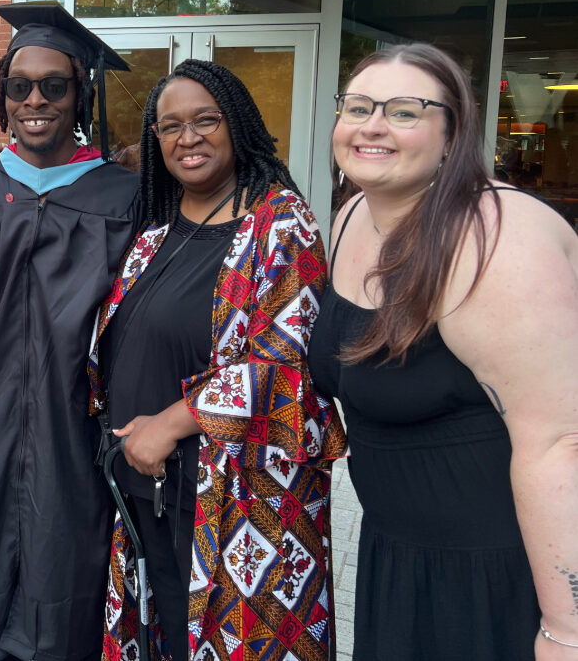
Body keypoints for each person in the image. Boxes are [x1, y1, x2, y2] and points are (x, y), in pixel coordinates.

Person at [307, 43, 578, 659]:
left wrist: (565, 629)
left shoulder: (495, 240)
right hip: (395, 555)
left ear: (454, 135)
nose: (373, 125)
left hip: (493, 577)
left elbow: (561, 442)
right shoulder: (353, 216)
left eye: (405, 111)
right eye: (358, 107)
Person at [88, 59, 346, 661]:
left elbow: (281, 362)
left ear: (238, 125)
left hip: (234, 495)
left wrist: (165, 426)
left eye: (206, 120)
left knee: (232, 640)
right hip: (149, 484)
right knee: (165, 632)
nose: (188, 137)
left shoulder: (281, 223)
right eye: (170, 125)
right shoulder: (157, 229)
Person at [0, 1, 139, 661]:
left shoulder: (123, 197)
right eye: (18, 86)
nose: (35, 99)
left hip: (76, 425)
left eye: (54, 86)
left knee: (69, 561)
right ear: (1, 94)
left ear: (80, 91)